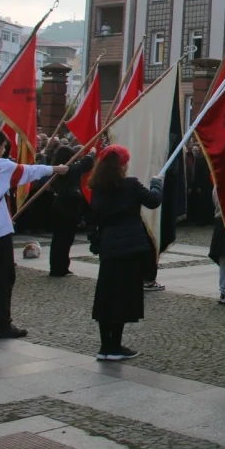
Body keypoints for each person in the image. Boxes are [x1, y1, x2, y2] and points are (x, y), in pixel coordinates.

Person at [0, 127, 66, 338]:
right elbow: (28, 171)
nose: (5, 151)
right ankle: (2, 323)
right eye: (4, 146)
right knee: (4, 277)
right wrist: (54, 169)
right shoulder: (0, 165)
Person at [89, 145, 160, 360]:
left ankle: (105, 346)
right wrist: (157, 184)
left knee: (107, 296)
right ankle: (115, 346)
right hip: (130, 247)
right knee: (122, 296)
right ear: (123, 164)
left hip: (109, 246)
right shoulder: (131, 185)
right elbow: (153, 200)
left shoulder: (97, 186)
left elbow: (93, 220)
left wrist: (95, 241)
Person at [49, 147, 92, 277]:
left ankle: (60, 266)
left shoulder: (59, 169)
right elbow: (84, 165)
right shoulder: (65, 169)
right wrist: (91, 155)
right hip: (66, 207)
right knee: (63, 239)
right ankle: (59, 268)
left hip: (62, 206)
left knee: (60, 239)